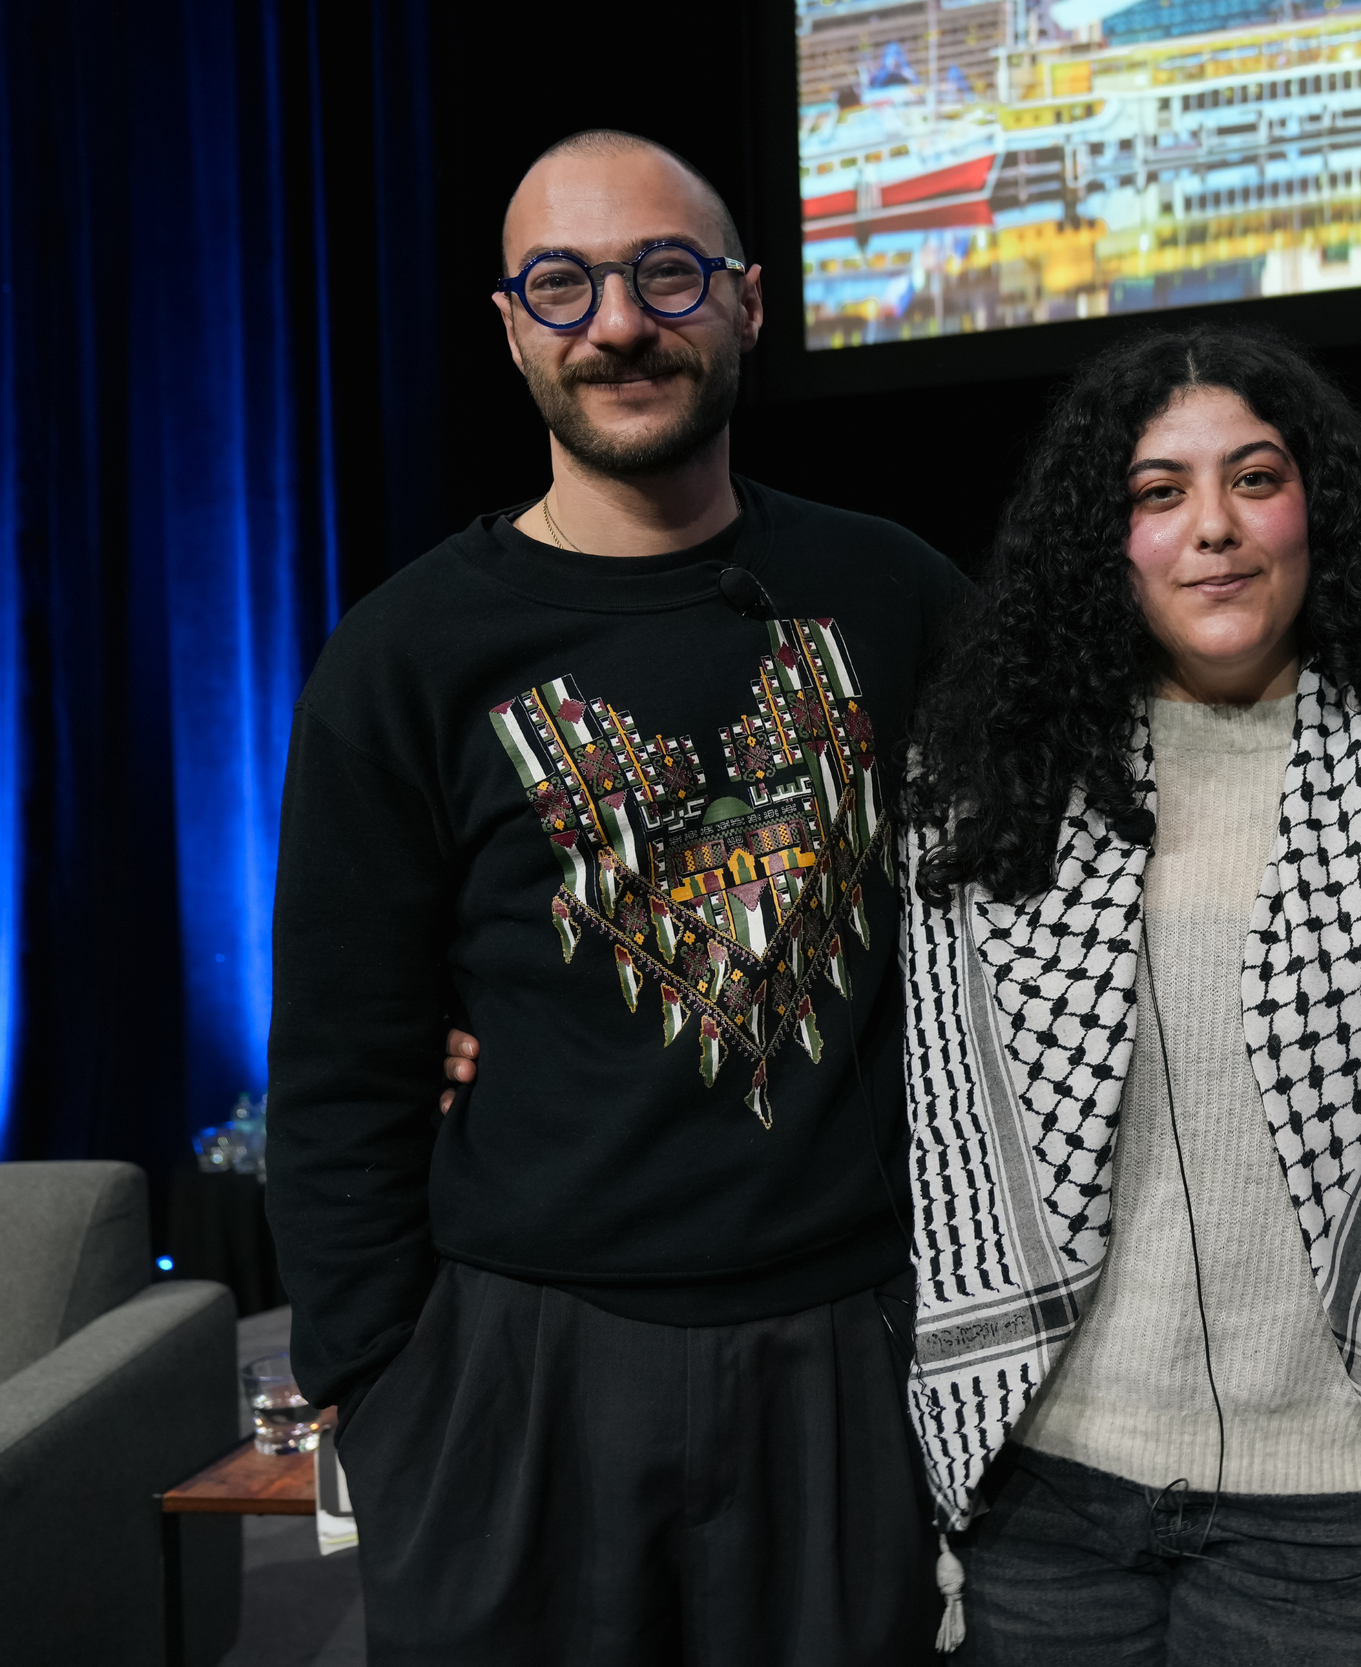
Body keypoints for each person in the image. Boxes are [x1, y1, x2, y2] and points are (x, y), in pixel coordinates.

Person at [266, 130, 965, 1666]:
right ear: (512, 324)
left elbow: (1126, 750)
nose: (620, 324)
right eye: (563, 285)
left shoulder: (893, 593)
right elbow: (338, 1068)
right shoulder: (404, 657)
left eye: (667, 273)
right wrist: (385, 1388)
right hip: (516, 1375)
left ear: (748, 302)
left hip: (842, 1353)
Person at [897, 325, 1361, 1665]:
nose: (1215, 529)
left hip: (1340, 1509)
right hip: (1053, 1491)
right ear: (1101, 539)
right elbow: (939, 1132)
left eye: (1255, 478)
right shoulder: (987, 797)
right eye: (1159, 493)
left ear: (1318, 507)